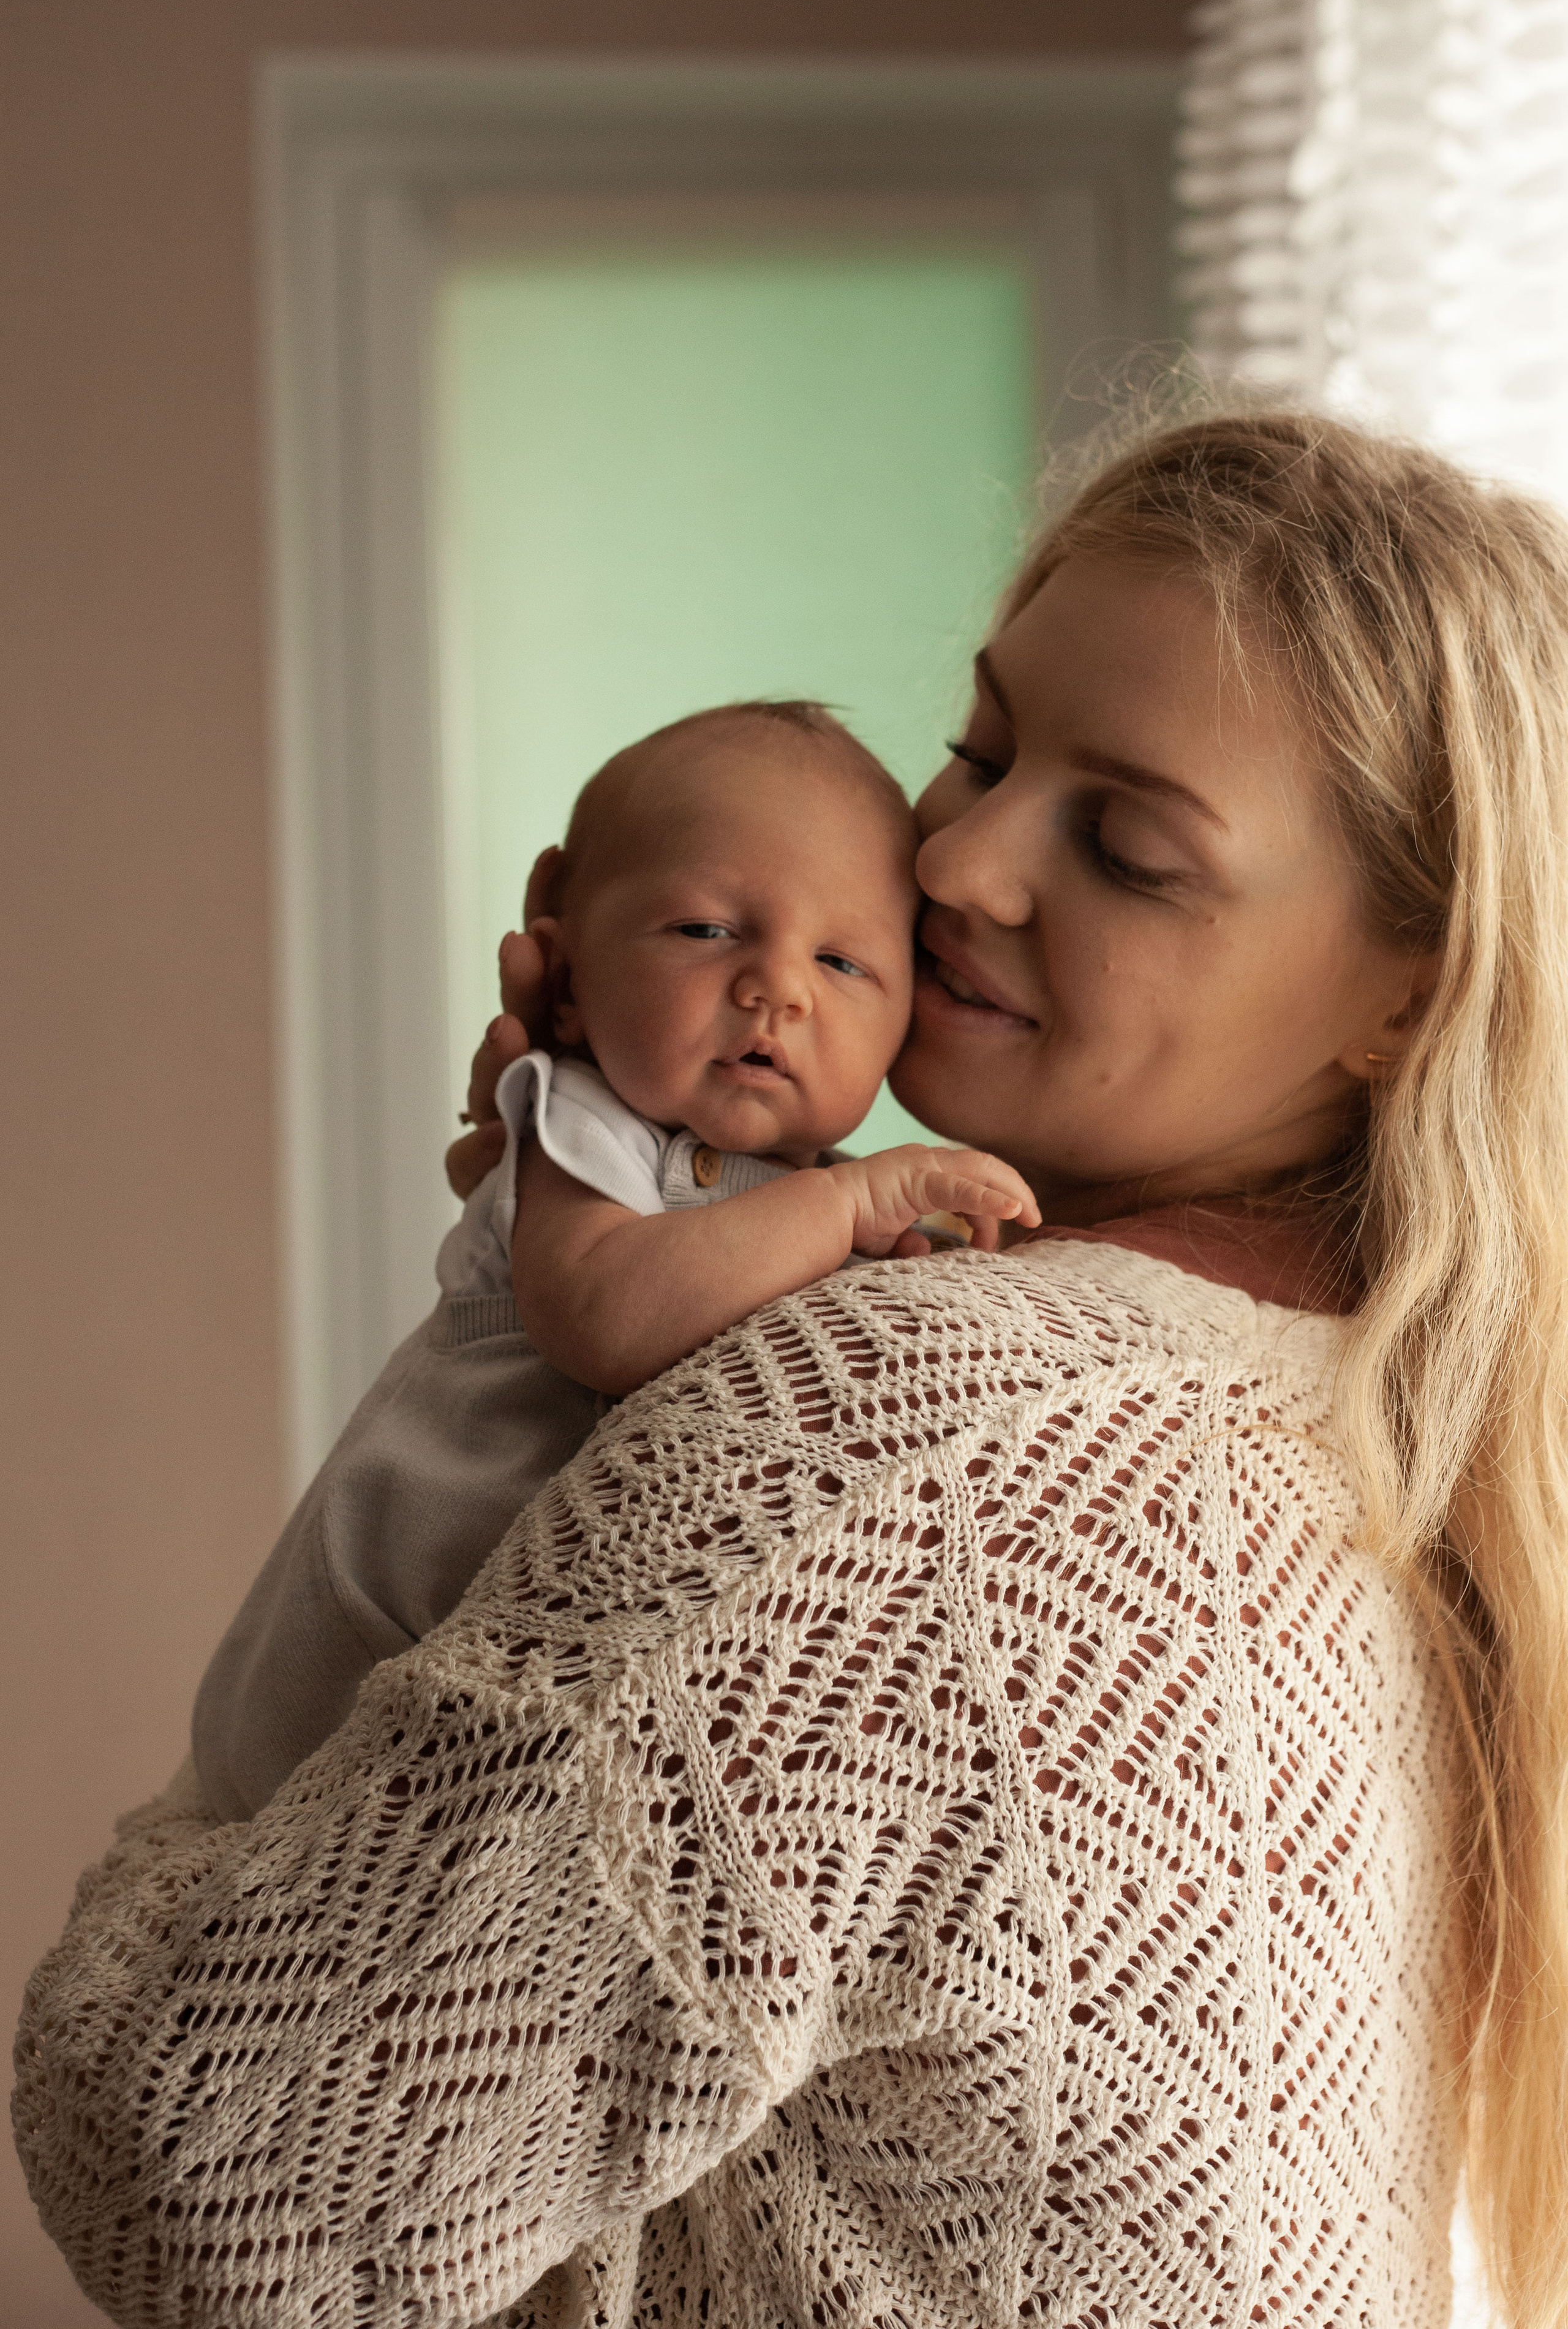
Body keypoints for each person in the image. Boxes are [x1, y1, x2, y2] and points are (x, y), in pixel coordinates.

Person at [16, 412, 1568, 2329]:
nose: (963, 854)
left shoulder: (917, 1426)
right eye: (986, 746)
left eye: (1130, 846)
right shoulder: (1373, 1400)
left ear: (1406, 993)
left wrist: (240, 1814)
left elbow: (215, 2179)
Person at [190, 696, 1037, 1822]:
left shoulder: (822, 1190)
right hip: (347, 1655)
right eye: (704, 931)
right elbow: (604, 1317)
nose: (775, 987)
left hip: (515, 1700)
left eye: (841, 961)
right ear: (570, 958)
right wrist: (854, 1203)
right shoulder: (584, 1123)